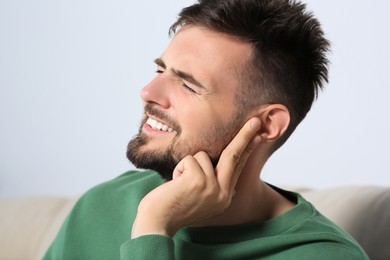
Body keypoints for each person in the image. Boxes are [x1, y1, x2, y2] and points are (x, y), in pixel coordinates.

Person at [44, 0, 369, 259]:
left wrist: (153, 228)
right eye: (160, 69)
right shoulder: (101, 206)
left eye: (188, 85)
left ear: (268, 124)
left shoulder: (321, 254)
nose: (148, 92)